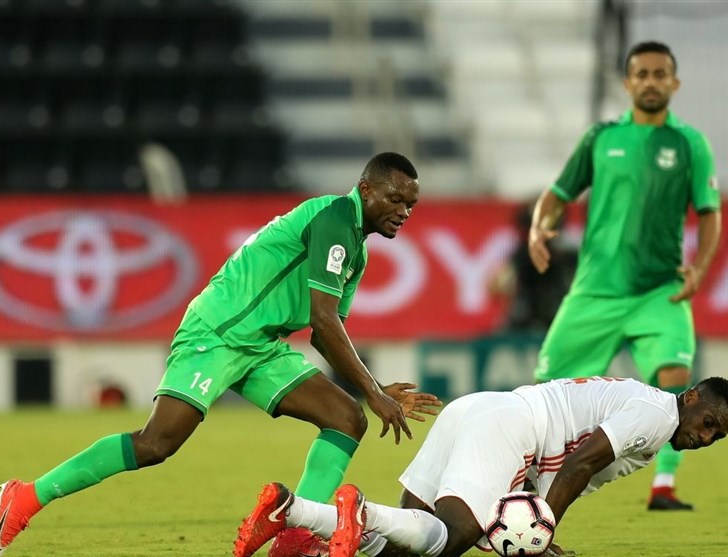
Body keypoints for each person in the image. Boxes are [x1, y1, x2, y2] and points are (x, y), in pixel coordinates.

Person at [0, 152, 442, 556]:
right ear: (365, 189)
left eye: (411, 205)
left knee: (346, 418)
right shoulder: (335, 219)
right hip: (217, 333)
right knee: (156, 444)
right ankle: (25, 496)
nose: (403, 212)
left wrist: (372, 391)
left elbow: (325, 334)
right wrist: (374, 391)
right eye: (395, 199)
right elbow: (323, 320)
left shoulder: (356, 250)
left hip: (261, 345)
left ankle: (297, 537)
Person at [528, 41, 722, 510]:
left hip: (660, 291)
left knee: (677, 379)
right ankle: (521, 484)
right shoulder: (601, 137)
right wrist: (539, 226)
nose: (651, 82)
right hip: (595, 290)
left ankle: (663, 487)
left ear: (674, 83)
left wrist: (699, 267)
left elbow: (709, 212)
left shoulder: (689, 143)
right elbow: (558, 192)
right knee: (542, 390)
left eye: (660, 74)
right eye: (642, 74)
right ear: (628, 82)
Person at [234, 376, 728, 557]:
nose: (705, 438)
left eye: (717, 437)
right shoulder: (659, 416)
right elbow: (579, 464)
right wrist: (539, 534)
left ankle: (290, 510)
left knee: (406, 548)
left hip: (478, 409)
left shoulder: (648, 407)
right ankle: (360, 511)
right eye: (709, 422)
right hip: (512, 425)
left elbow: (566, 467)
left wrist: (535, 524)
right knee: (450, 540)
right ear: (691, 397)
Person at [488, 203, 577, 332]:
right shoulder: (522, 256)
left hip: (558, 321)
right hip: (523, 323)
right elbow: (496, 287)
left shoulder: (567, 257)